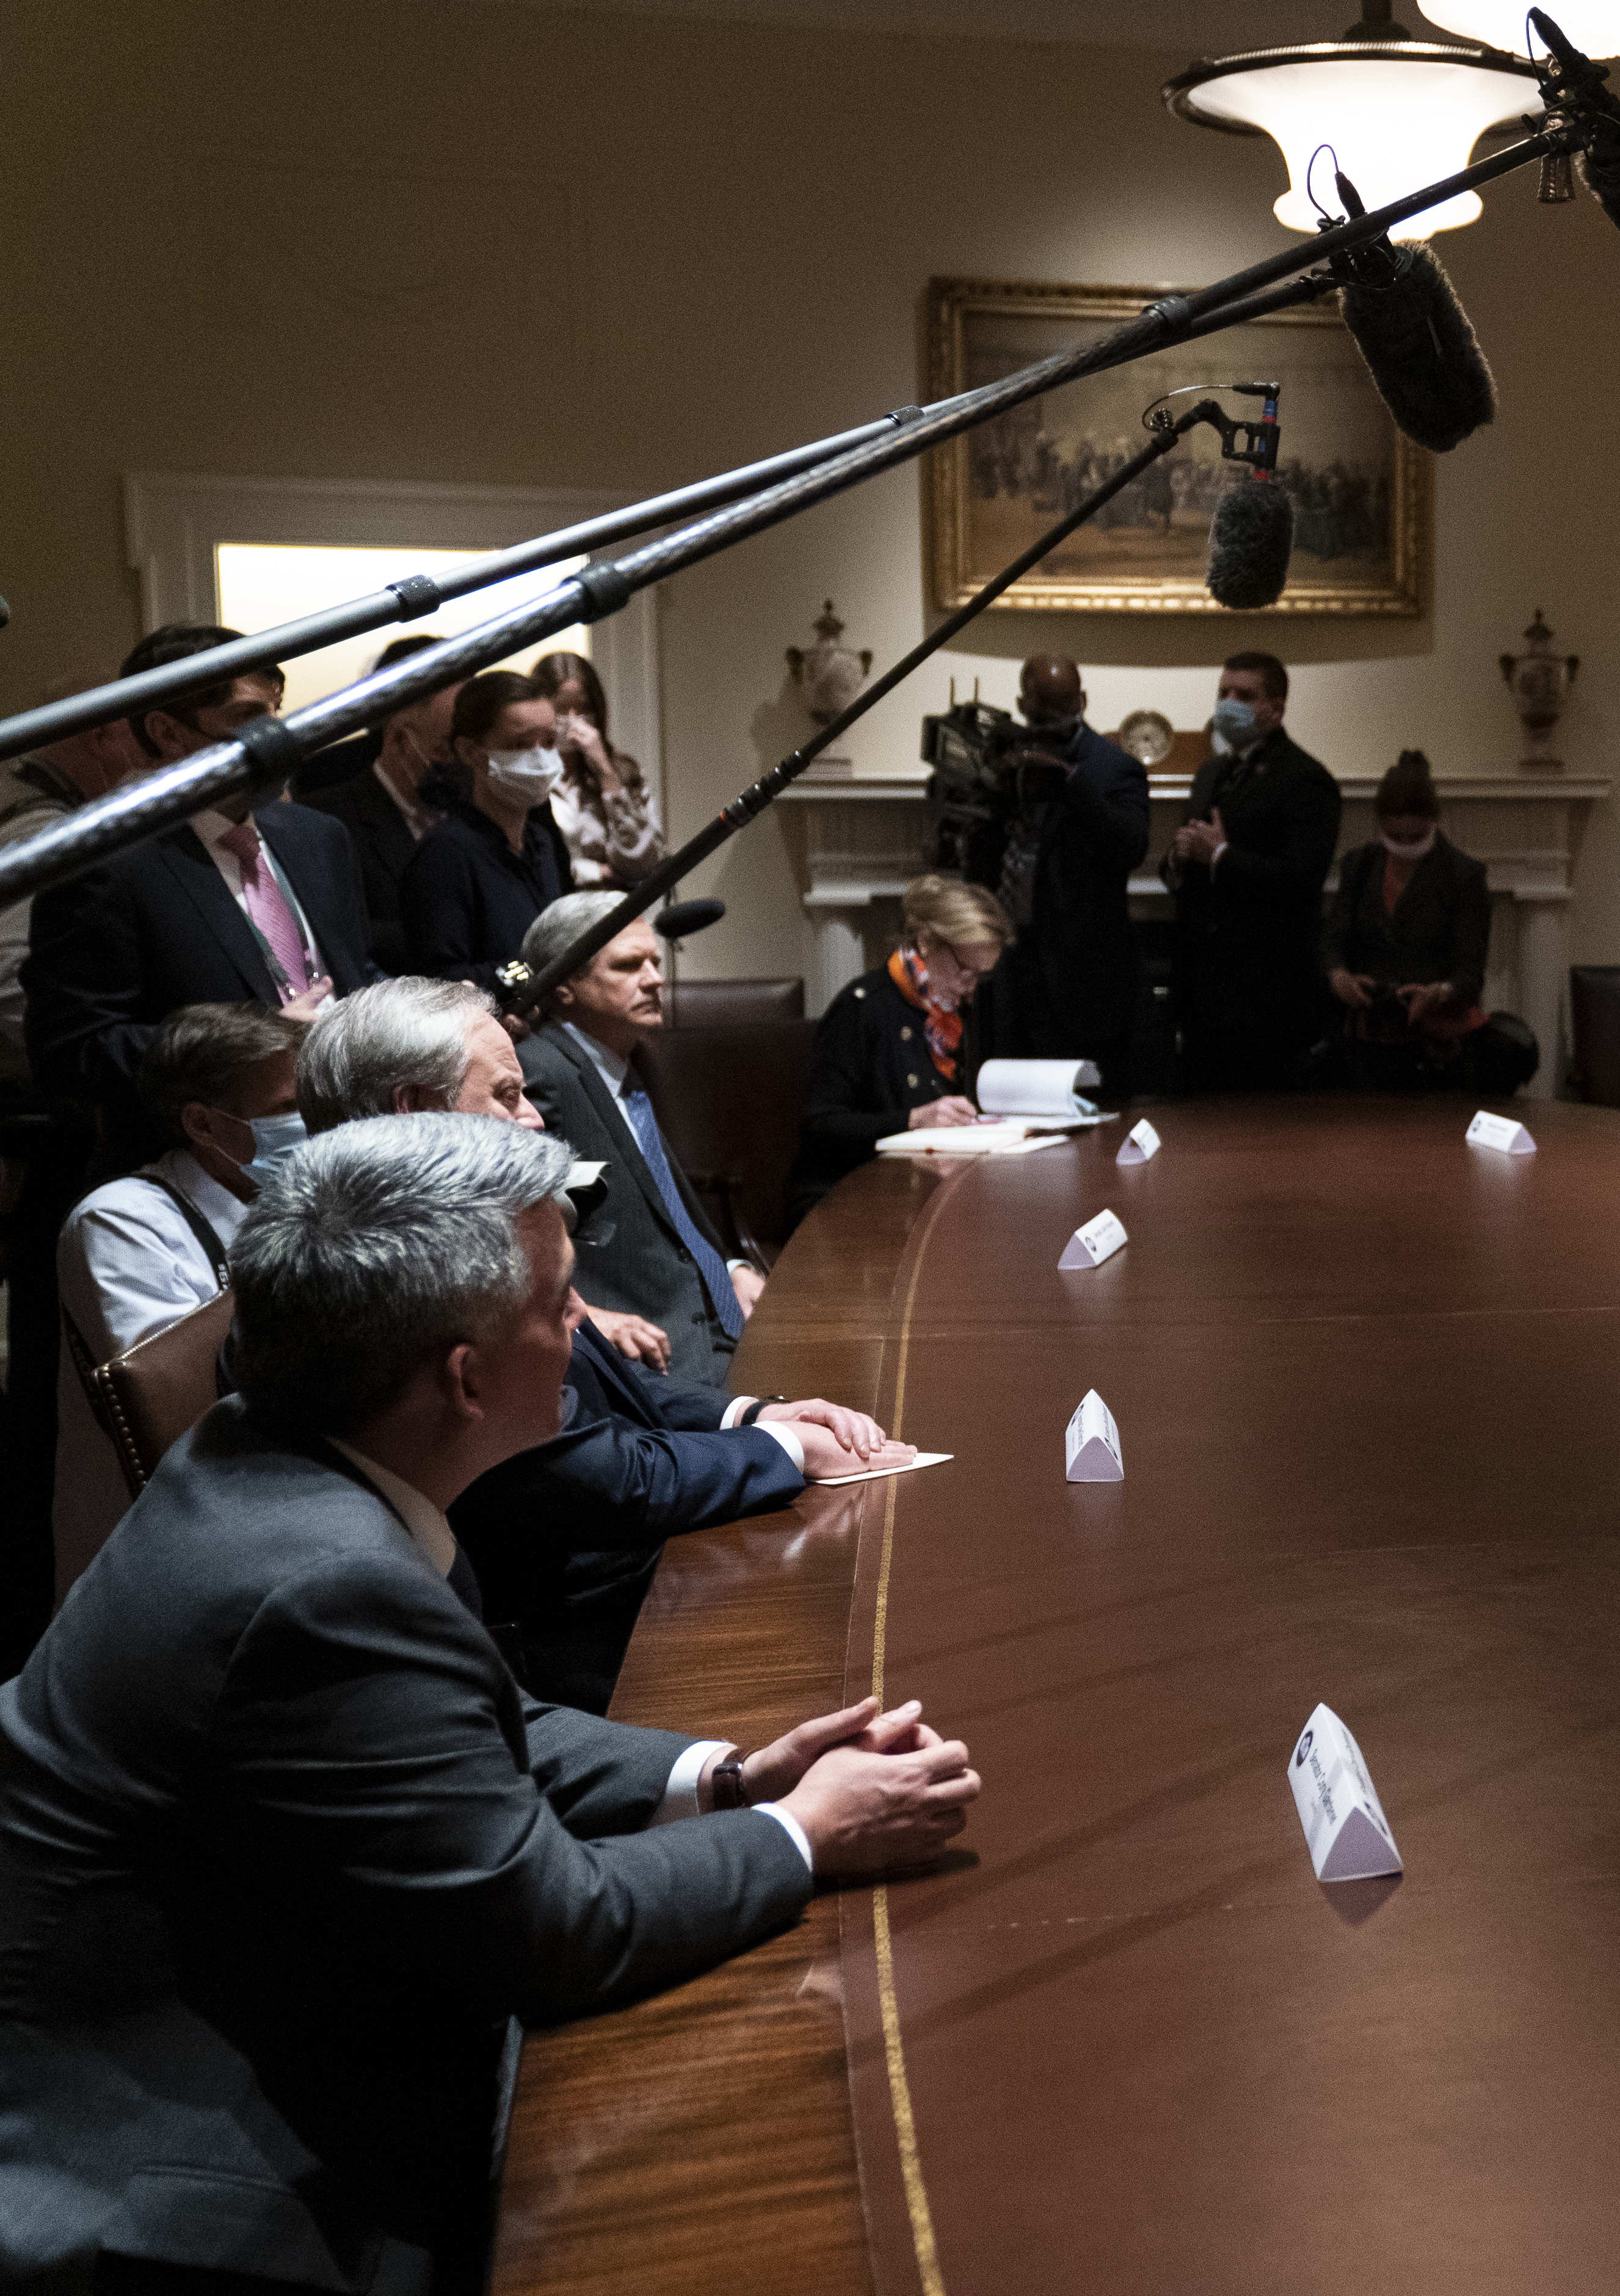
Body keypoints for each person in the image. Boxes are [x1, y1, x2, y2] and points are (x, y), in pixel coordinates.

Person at [0, 1112, 978, 2291]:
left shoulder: (290, 1452)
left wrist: (722, 1776)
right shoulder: (327, 1580)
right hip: (196, 2197)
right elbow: (555, 1929)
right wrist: (804, 1833)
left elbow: (467, 1726)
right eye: (559, 1306)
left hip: (292, 2002)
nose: (585, 1333)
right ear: (464, 1378)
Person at [301, 977, 913, 1710]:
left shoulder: (476, 1225)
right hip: (579, 1639)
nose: (533, 1121)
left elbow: (619, 1388)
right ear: (414, 1107)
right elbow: (585, 1473)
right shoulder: (402, 1274)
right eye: (505, 1096)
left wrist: (757, 1417)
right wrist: (787, 1454)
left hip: (631, 1567)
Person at [24, 625, 379, 1113]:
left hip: (354, 1118)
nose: (275, 735)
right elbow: (74, 1053)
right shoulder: (100, 861)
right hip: (213, 1142)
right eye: (248, 716)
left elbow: (353, 974)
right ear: (166, 732)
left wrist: (434, 1010)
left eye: (275, 712)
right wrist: (249, 1045)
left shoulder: (316, 836)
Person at [48, 1002, 295, 1592]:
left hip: (272, 1524)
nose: (313, 1125)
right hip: (161, 1566)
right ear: (203, 1125)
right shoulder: (120, 1222)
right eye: (288, 1109)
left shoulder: (288, 1201)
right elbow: (183, 1416)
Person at [514, 892, 766, 1390]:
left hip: (713, 1321)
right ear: (563, 985)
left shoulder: (619, 1064)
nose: (655, 979)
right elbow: (530, 1224)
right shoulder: (544, 1073)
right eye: (629, 966)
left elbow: (654, 1210)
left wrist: (730, 1266)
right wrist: (581, 1313)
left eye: (655, 961)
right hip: (654, 1350)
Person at [1321, 750, 1536, 1095]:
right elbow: (1332, 941)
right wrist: (1338, 975)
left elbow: (1471, 971)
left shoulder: (1463, 876)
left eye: (1415, 839)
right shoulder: (1359, 868)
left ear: (1434, 822)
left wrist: (1439, 992)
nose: (1405, 847)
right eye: (1396, 838)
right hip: (1366, 1037)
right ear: (1380, 825)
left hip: (1433, 1044)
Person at [1171, 650, 1339, 1093]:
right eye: (1223, 692)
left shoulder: (1306, 780)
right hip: (1205, 992)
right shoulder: (1209, 774)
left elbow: (1301, 882)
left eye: (1244, 695)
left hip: (1267, 995)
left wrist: (1222, 857)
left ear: (1276, 708)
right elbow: (1192, 858)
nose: (1228, 702)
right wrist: (1181, 856)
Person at [799, 873, 1005, 1217]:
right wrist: (912, 1119)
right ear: (927, 941)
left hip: (915, 1192)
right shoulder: (863, 1007)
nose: (971, 988)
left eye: (981, 976)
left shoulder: (948, 1015)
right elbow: (821, 1125)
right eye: (965, 970)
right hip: (843, 1197)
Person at [988, 650, 1150, 1086]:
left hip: (1084, 972)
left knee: (1089, 1105)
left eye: (1063, 712)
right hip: (1015, 958)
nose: (1052, 725)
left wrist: (1072, 784)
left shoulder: (1116, 769)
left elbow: (1133, 847)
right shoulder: (1008, 759)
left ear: (1083, 702)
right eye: (1042, 715)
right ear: (1023, 708)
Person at [0, 667, 147, 1092]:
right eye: (137, 740)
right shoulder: (39, 830)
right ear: (100, 736)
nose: (146, 762)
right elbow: (11, 977)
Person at [297, 634, 460, 970]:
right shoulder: (324, 822)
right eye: (447, 749)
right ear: (401, 740)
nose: (464, 763)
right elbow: (347, 937)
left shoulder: (476, 806)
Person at [399, 664, 569, 980]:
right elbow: (441, 978)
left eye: (548, 742)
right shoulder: (447, 853)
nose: (540, 759)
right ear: (469, 751)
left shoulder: (541, 842)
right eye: (519, 745)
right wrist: (523, 975)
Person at [534, 647, 666, 891]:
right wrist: (595, 871)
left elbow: (644, 865)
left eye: (582, 709)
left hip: (618, 916)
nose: (573, 720)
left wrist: (606, 773)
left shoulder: (624, 771)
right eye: (561, 710)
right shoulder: (528, 777)